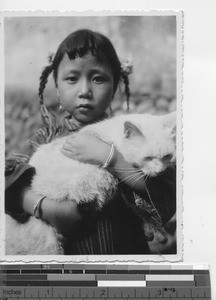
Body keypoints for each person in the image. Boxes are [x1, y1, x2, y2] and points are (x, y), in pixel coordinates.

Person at [5, 29, 176, 255]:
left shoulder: (135, 137)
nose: (85, 91)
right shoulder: (46, 138)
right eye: (72, 79)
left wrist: (111, 158)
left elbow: (165, 188)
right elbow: (7, 177)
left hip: (121, 255)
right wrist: (46, 208)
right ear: (57, 88)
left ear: (115, 87)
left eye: (98, 79)